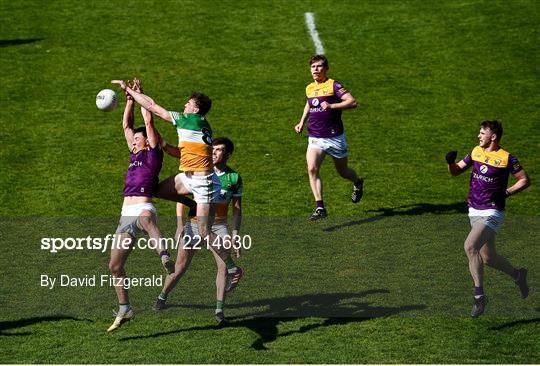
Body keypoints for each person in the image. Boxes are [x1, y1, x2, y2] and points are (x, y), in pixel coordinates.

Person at [110, 80, 242, 288]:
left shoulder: (189, 120)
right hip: (187, 177)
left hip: (203, 182)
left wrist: (129, 91)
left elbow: (154, 107)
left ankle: (233, 267)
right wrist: (140, 97)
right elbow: (175, 146)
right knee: (157, 189)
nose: (184, 106)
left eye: (188, 103)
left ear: (195, 109)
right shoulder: (198, 124)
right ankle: (191, 204)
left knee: (205, 232)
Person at [153, 137, 244, 326]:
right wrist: (179, 224)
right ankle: (162, 297)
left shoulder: (234, 178)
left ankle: (219, 311)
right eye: (213, 149)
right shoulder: (201, 172)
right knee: (179, 268)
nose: (214, 152)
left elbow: (237, 209)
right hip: (194, 225)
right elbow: (180, 196)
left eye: (219, 150)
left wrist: (235, 233)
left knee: (222, 268)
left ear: (228, 154)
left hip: (218, 227)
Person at [107, 79, 174, 332]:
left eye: (137, 139)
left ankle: (165, 256)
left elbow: (148, 122)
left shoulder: (153, 154)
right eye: (133, 140)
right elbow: (126, 124)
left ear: (147, 140)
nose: (133, 142)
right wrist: (128, 101)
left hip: (144, 207)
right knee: (114, 266)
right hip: (125, 215)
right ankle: (125, 309)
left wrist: (139, 94)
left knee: (146, 220)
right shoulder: (135, 154)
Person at [446, 120, 530, 317]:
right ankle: (518, 275)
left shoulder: (506, 158)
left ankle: (479, 296)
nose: (478, 136)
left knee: (470, 246)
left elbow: (525, 180)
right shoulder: (476, 151)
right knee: (488, 258)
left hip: (492, 212)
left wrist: (507, 193)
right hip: (474, 210)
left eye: (482, 133)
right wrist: (450, 163)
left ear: (493, 136)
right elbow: (457, 171)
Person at [294, 54, 364, 221]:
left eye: (319, 66)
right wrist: (302, 121)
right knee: (312, 168)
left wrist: (332, 105)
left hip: (334, 137)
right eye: (313, 67)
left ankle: (358, 182)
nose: (315, 70)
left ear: (325, 69)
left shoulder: (333, 85)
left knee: (342, 171)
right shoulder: (309, 88)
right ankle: (320, 207)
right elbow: (309, 104)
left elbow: (352, 102)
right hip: (315, 137)